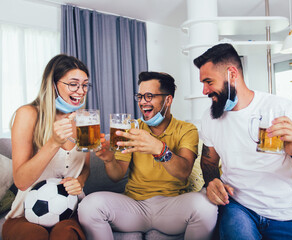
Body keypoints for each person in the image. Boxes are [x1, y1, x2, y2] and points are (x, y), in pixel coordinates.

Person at [193, 43, 292, 240]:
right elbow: (208, 161)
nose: (204, 90)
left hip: (282, 214)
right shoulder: (210, 117)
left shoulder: (280, 108)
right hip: (237, 207)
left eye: (208, 82)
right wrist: (212, 182)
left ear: (232, 74)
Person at [78, 71, 218, 240]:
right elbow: (116, 175)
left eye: (149, 96)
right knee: (88, 206)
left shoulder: (186, 130)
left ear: (168, 100)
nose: (143, 102)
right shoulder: (131, 127)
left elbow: (184, 171)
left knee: (206, 208)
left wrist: (159, 149)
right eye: (140, 96)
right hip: (134, 206)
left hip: (172, 207)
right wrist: (109, 160)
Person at [2, 54, 91, 240]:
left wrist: (80, 181)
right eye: (73, 84)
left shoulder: (84, 120)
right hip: (25, 214)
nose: (81, 90)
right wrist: (53, 143)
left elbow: (85, 168)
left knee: (66, 235)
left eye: (85, 84)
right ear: (53, 85)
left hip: (70, 213)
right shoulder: (27, 114)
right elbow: (21, 181)